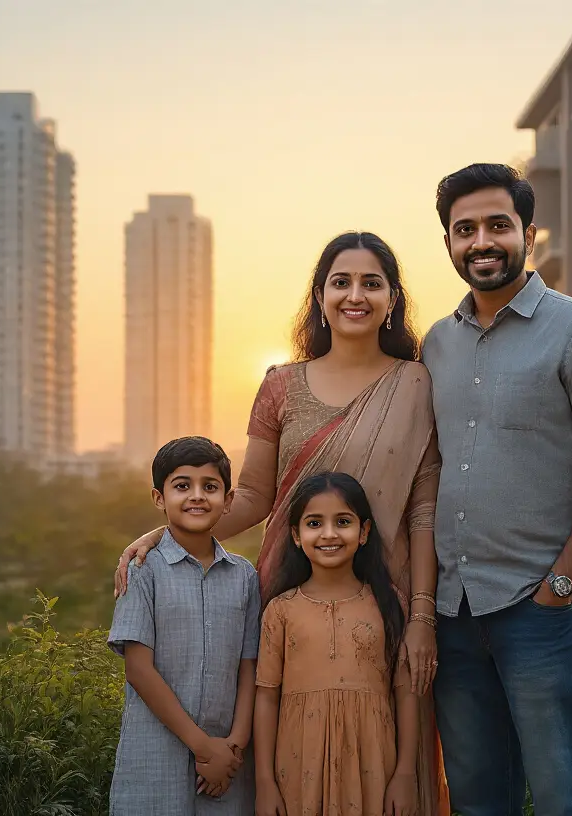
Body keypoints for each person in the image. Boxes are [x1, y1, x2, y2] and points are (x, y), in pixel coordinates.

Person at [115, 231, 450, 815]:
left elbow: (424, 513)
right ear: (319, 297)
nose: (355, 295)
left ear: (392, 299)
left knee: (387, 753)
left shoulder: (417, 384)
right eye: (340, 282)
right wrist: (173, 535)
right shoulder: (280, 385)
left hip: (385, 606)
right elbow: (250, 495)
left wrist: (420, 617)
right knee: (287, 751)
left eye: (372, 283)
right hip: (287, 591)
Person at [424, 163, 572, 816]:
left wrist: (563, 585)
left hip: (540, 607)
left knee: (563, 799)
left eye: (498, 225)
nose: (481, 242)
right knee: (478, 801)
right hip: (453, 612)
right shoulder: (437, 343)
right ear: (449, 244)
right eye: (465, 230)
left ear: (529, 233)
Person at [107, 436, 262, 815]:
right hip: (156, 761)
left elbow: (249, 667)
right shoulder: (143, 570)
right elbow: (138, 669)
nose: (197, 496)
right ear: (159, 498)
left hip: (227, 766)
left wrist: (233, 747)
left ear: (228, 500)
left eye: (210, 487)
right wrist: (202, 746)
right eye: (182, 486)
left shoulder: (245, 576)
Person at [254, 472, 420, 816]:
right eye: (315, 523)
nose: (329, 534)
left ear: (364, 532)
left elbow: (405, 694)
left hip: (372, 762)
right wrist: (265, 783)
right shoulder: (280, 610)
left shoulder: (390, 604)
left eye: (342, 521)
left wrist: (405, 773)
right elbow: (267, 697)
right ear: (296, 536)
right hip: (299, 765)